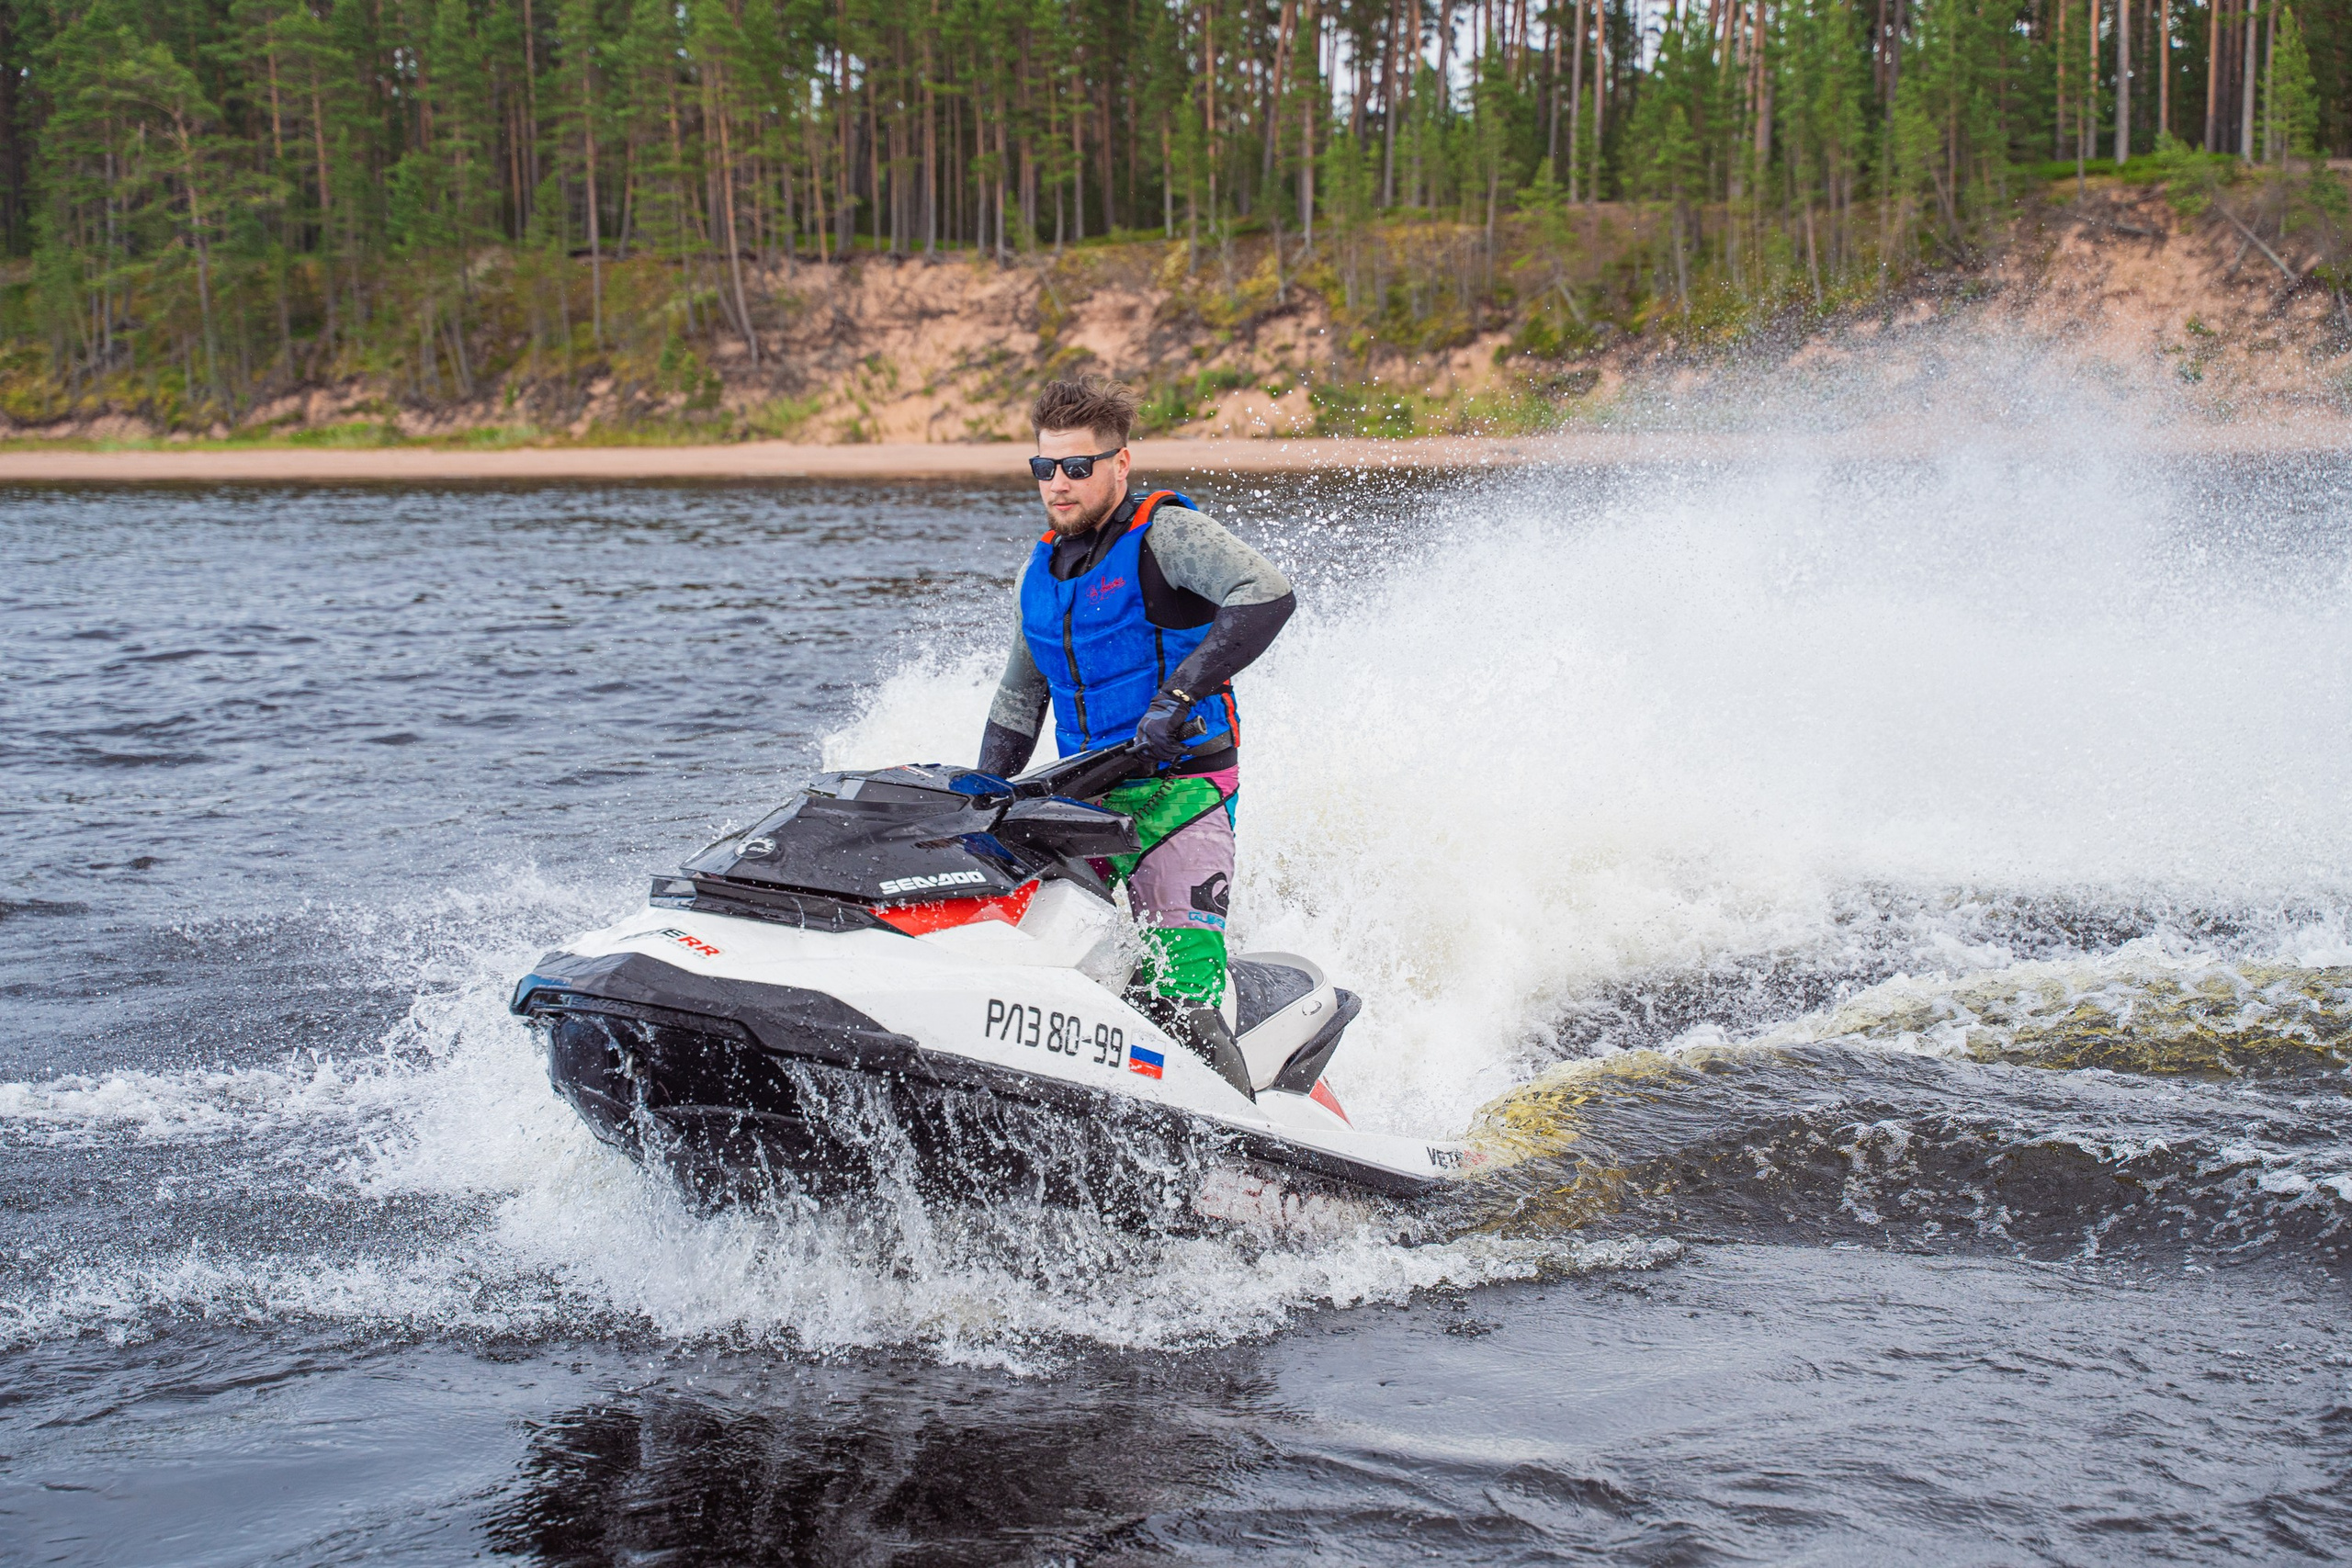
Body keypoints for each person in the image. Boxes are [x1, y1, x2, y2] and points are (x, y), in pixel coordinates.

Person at [977, 375, 1295, 1098]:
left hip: (1184, 793)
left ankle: (1246, 1146)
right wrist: (980, 798)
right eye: (1044, 467)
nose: (1058, 483)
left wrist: (1181, 692)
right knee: (1025, 965)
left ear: (1120, 464)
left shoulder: (1165, 534)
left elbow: (1268, 593)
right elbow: (1019, 700)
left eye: (1077, 467)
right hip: (1086, 801)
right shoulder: (1042, 571)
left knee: (1178, 1004)